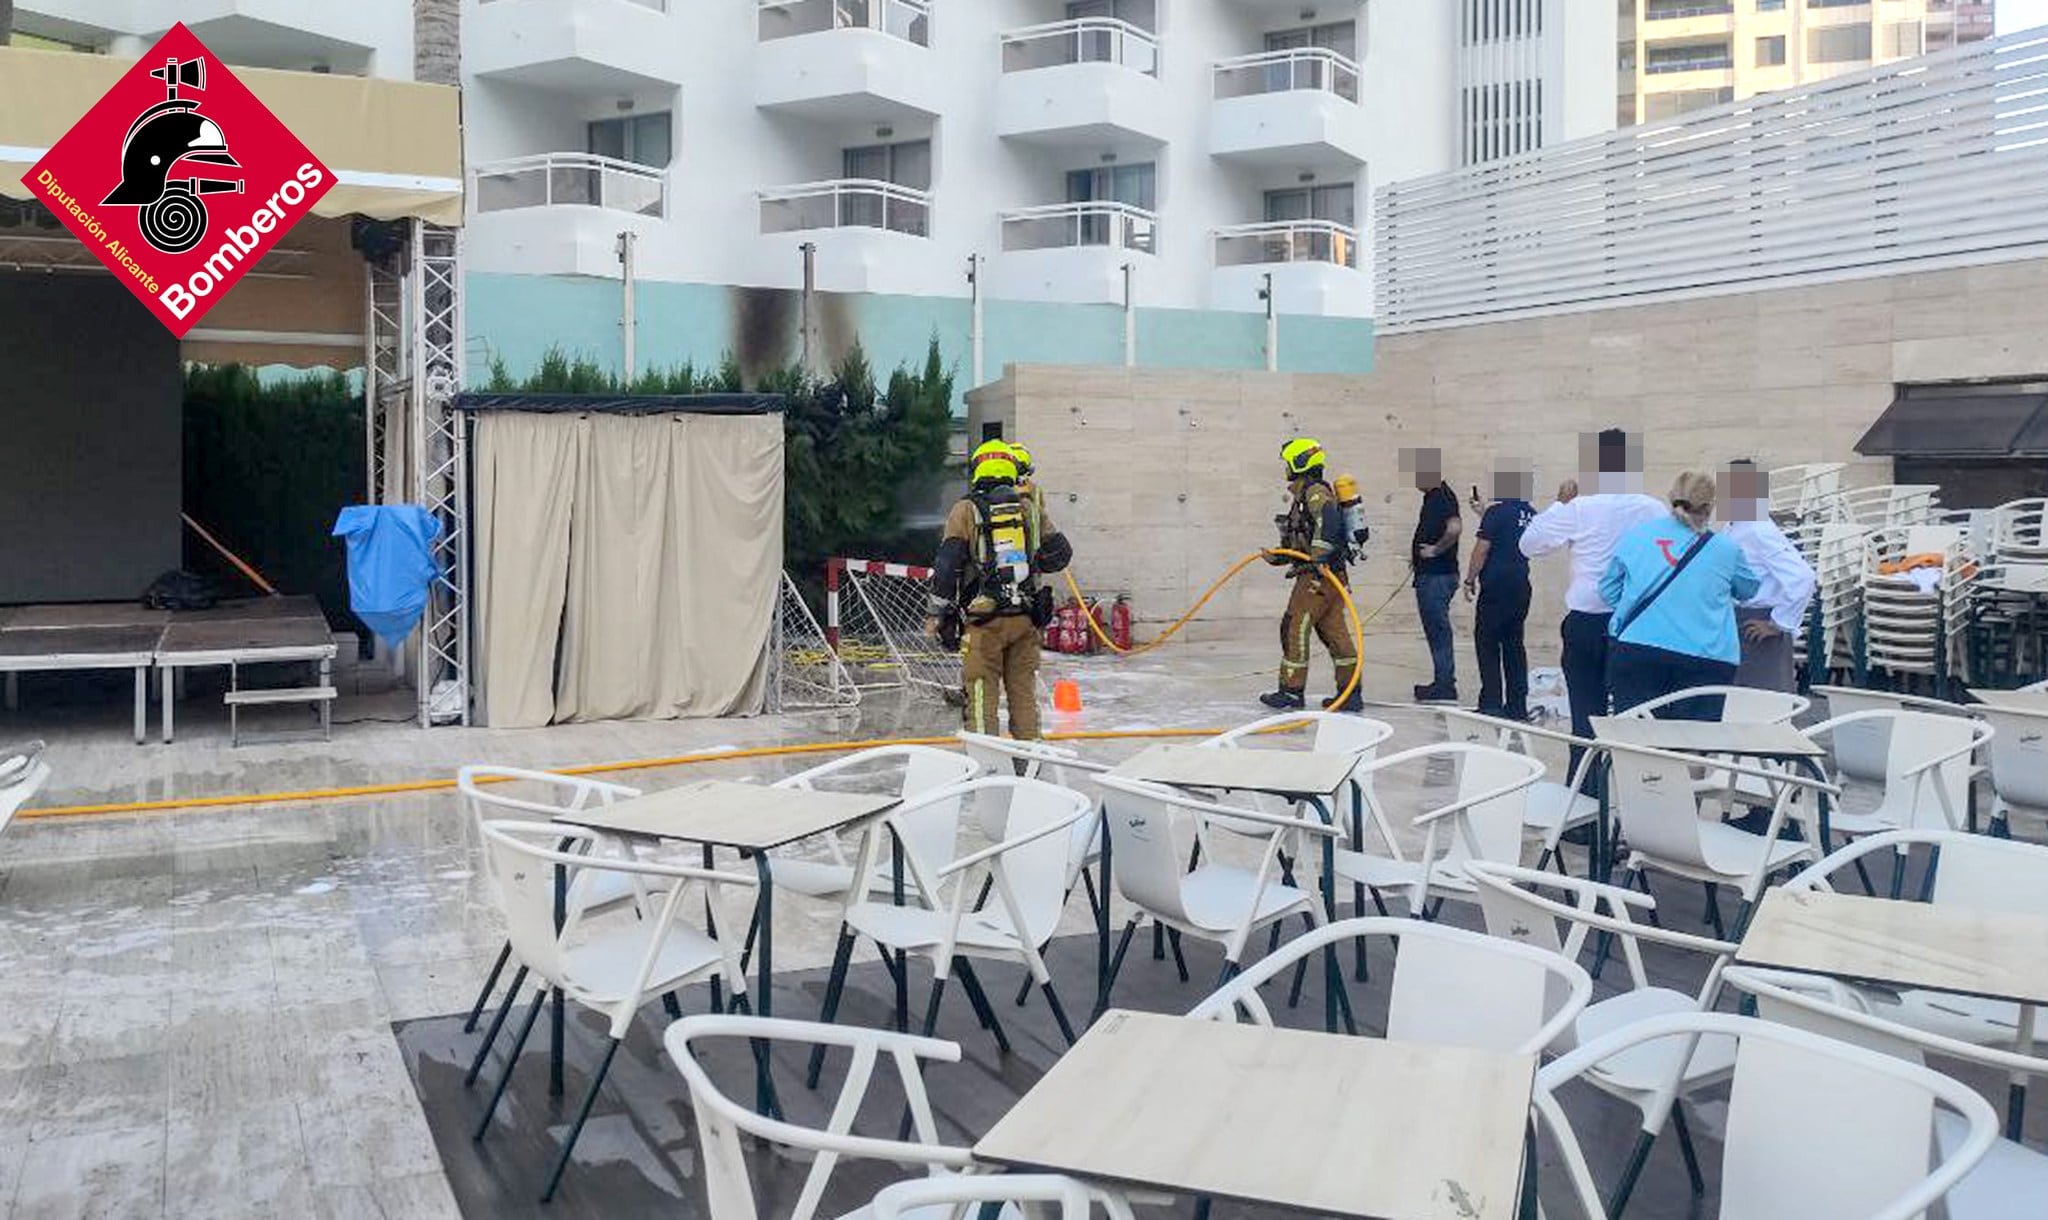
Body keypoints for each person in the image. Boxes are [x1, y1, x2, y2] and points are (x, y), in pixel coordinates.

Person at [1520, 429, 1666, 772]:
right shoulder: (1652, 509)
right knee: (1634, 720)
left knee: (1586, 720)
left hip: (1587, 623)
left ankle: (1585, 801)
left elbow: (1529, 544)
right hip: (1635, 623)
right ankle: (1638, 803)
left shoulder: (1579, 509)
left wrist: (1560, 503)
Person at [925, 442, 1072, 739]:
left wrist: (936, 614)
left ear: (978, 469)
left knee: (981, 696)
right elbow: (1061, 554)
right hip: (1025, 620)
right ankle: (1030, 762)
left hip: (984, 621)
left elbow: (946, 567)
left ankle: (986, 764)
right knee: (1023, 697)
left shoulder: (965, 510)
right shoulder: (1030, 509)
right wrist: (1031, 561)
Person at [1601, 471, 1760, 721]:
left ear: (1671, 498)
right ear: (1710, 506)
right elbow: (1749, 590)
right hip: (1706, 656)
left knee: (1636, 741)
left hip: (1638, 648)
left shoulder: (1636, 536)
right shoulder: (1726, 549)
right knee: (1694, 744)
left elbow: (1608, 589)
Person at [1260, 437, 1361, 712]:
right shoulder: (1306, 493)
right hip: (1330, 575)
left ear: (1299, 462)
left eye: (1288, 462)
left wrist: (1317, 560)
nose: (1285, 468)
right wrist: (1278, 557)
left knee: (1295, 626)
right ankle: (1350, 692)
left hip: (1318, 576)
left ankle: (1292, 692)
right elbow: (1301, 538)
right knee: (1333, 632)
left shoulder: (1315, 492)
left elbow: (1327, 524)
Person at [1721, 459, 1816, 693]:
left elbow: (1802, 577)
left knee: (1763, 701)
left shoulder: (1758, 529)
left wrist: (1778, 623)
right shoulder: (1734, 527)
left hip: (1756, 625)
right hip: (1736, 623)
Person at [1464, 463, 1536, 720]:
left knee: (1487, 642)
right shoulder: (1531, 513)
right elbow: (1511, 533)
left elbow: (1482, 549)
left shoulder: (1496, 513)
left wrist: (1470, 579)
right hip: (1520, 586)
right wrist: (1482, 512)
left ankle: (1491, 702)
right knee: (1514, 645)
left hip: (1496, 586)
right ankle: (1518, 705)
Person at [1406, 449, 1462, 703]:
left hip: (1437, 576)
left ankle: (1445, 684)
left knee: (1438, 629)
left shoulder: (1441, 497)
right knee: (1435, 629)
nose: (1416, 480)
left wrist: (1434, 551)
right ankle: (1442, 681)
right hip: (1431, 574)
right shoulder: (1433, 497)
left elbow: (1454, 529)